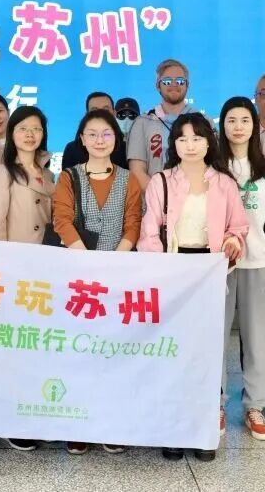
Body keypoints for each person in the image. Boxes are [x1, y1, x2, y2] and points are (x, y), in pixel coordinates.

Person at [138, 111, 247, 462]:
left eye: (197, 138)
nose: (190, 145)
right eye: (182, 138)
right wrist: (163, 272)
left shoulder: (225, 183)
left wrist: (232, 243)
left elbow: (238, 226)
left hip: (210, 272)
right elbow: (149, 231)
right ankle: (173, 429)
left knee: (206, 352)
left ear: (208, 142)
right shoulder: (161, 181)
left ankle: (203, 431)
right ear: (174, 144)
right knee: (173, 350)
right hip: (173, 270)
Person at [52, 108, 143, 456]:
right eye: (92, 134)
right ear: (82, 139)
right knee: (79, 350)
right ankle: (78, 425)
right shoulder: (68, 177)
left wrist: (114, 260)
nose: (99, 140)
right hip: (79, 277)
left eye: (106, 134)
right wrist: (88, 260)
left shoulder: (128, 179)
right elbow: (61, 219)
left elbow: (133, 221)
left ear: (116, 139)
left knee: (114, 351)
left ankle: (111, 422)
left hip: (118, 276)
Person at [217, 97, 265, 443]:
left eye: (245, 120)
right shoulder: (213, 165)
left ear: (254, 125)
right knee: (215, 337)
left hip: (258, 262)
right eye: (231, 120)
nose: (238, 127)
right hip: (218, 266)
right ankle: (215, 403)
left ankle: (255, 406)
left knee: (256, 338)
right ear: (222, 125)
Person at [0, 106, 56, 245]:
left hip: (47, 251)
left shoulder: (48, 175)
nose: (30, 134)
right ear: (11, 133)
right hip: (17, 253)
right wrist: (0, 254)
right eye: (23, 128)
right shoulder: (2, 172)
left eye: (36, 129)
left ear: (43, 134)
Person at [127, 58, 196, 190]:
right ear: (158, 86)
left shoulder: (202, 121)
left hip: (195, 199)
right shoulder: (143, 122)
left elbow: (212, 166)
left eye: (180, 81)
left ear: (187, 85)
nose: (174, 85)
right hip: (155, 199)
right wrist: (162, 197)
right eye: (167, 81)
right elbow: (137, 171)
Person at [61, 92, 128, 170]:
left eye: (106, 110)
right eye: (94, 111)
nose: (100, 115)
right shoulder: (72, 149)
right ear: (87, 115)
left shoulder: (126, 148)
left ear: (114, 113)